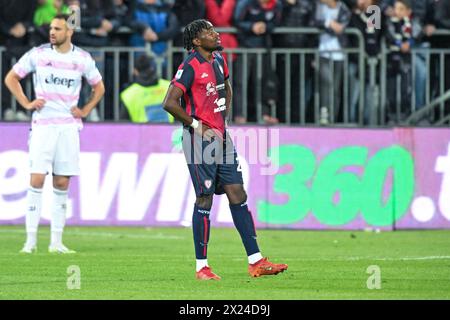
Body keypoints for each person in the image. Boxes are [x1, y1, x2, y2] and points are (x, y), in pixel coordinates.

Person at [163, 19, 288, 280]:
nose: (215, 33)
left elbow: (226, 87)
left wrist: (223, 118)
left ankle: (256, 261)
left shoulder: (219, 59)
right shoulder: (189, 66)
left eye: (213, 29)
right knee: (205, 198)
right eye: (208, 31)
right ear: (196, 41)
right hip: (199, 141)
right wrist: (198, 125)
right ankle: (202, 267)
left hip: (221, 137)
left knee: (237, 193)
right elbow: (170, 102)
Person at [4, 14, 105, 254]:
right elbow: (12, 78)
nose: (52, 32)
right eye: (51, 28)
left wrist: (85, 110)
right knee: (37, 179)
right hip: (43, 124)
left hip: (69, 126)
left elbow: (99, 87)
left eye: (57, 28)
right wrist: (26, 103)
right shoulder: (39, 54)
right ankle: (30, 242)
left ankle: (56, 242)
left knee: (61, 181)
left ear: (69, 32)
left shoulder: (82, 59)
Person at [120, 54, 173, 122]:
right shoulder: (170, 86)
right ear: (153, 68)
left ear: (135, 71)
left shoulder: (128, 94)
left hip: (141, 132)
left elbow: (123, 125)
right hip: (170, 131)